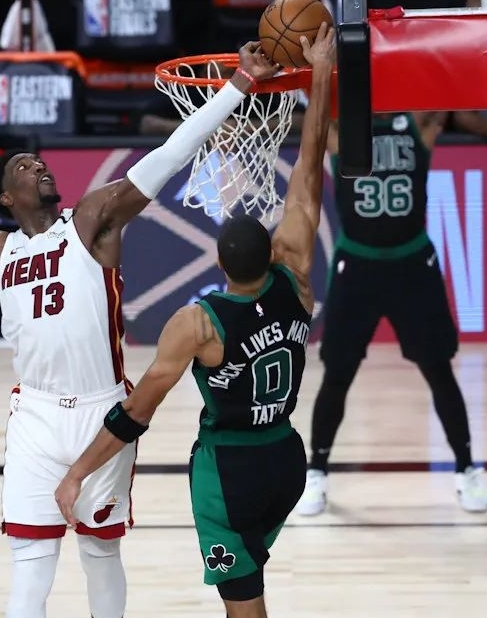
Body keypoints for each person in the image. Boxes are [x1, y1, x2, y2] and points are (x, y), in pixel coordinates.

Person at [0, 41, 281, 618]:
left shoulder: (89, 221)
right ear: (6, 197)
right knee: (30, 561)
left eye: (40, 163)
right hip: (35, 415)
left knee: (99, 552)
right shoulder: (0, 249)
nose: (38, 167)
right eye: (23, 167)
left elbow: (167, 157)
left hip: (100, 411)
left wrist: (239, 84)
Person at [54, 25, 335, 618]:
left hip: (229, 474)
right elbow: (307, 176)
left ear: (219, 264)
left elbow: (136, 413)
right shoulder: (297, 281)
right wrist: (319, 79)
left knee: (243, 604)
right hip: (287, 458)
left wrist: (77, 472)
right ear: (272, 253)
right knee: (252, 583)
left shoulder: (198, 325)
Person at [294, 112, 487, 514]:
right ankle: (317, 470)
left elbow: (445, 97)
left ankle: (467, 468)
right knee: (337, 375)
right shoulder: (342, 125)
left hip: (412, 263)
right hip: (357, 263)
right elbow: (317, 106)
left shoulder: (419, 120)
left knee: (439, 370)